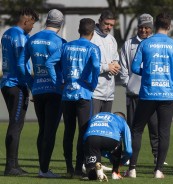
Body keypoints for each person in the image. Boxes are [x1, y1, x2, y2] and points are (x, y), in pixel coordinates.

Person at [124, 12, 173, 179]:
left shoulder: (145, 44)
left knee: (137, 130)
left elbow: (135, 68)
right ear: (169, 26)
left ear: (154, 26)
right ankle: (158, 170)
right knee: (163, 132)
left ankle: (132, 169)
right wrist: (169, 73)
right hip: (167, 94)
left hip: (148, 93)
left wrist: (149, 73)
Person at [45, 18, 100, 177]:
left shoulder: (66, 46)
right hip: (83, 94)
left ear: (79, 30)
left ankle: (69, 168)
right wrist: (93, 83)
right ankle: (78, 168)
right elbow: (96, 66)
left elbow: (49, 63)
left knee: (68, 132)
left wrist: (57, 83)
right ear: (93, 32)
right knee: (84, 132)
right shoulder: (93, 48)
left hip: (67, 94)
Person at [17, 9, 66, 178]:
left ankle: (42, 167)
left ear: (46, 21)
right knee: (50, 131)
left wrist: (31, 83)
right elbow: (64, 68)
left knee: (42, 129)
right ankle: (44, 170)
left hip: (38, 90)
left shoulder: (32, 39)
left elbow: (20, 64)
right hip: (54, 90)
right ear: (60, 24)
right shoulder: (60, 42)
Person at [119, 13, 167, 165]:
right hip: (134, 95)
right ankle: (130, 158)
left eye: (147, 27)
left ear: (152, 28)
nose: (144, 30)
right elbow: (123, 67)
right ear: (137, 27)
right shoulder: (129, 44)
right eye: (141, 27)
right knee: (134, 128)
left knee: (155, 128)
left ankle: (157, 157)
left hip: (152, 93)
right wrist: (129, 84)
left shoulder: (156, 44)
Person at [0, 7, 39, 176]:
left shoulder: (7, 33)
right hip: (17, 84)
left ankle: (14, 164)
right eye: (32, 24)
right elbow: (21, 64)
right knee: (16, 125)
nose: (33, 27)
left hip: (7, 83)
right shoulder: (19, 37)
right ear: (26, 21)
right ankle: (10, 167)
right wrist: (33, 86)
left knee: (15, 124)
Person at [83, 112, 132, 181]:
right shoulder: (122, 121)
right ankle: (115, 172)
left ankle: (97, 169)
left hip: (91, 138)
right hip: (111, 139)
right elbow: (128, 150)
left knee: (91, 176)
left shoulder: (96, 116)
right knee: (119, 138)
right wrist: (121, 162)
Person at [90, 10, 121, 115]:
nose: (109, 27)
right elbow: (87, 66)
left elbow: (115, 59)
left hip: (109, 94)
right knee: (92, 127)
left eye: (111, 25)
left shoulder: (112, 39)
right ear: (99, 21)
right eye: (106, 24)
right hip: (94, 93)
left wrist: (116, 65)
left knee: (104, 129)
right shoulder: (91, 37)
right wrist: (107, 67)